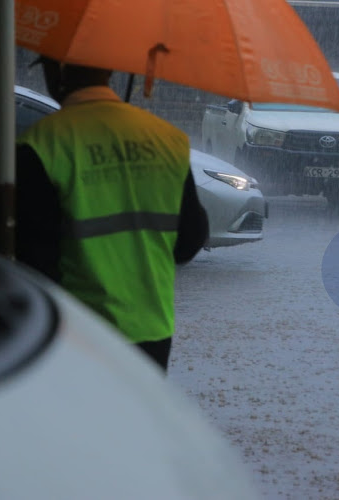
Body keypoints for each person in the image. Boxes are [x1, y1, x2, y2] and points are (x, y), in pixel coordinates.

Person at [15, 57, 209, 372]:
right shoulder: (168, 139)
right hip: (152, 331)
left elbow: (33, 264)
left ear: (57, 72)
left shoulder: (40, 144)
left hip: (77, 335)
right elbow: (189, 242)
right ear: (108, 70)